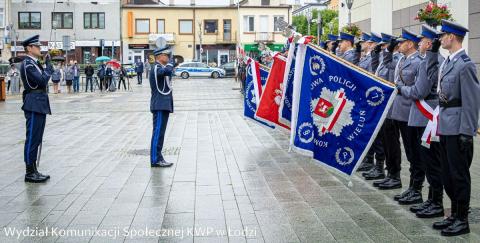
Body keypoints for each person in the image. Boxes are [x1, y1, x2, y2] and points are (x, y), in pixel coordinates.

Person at [431, 20, 480, 237]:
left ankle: (462, 219)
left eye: (443, 36)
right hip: (445, 125)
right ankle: (453, 214)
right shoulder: (447, 62)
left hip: (458, 127)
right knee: (448, 174)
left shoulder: (465, 64)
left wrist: (467, 132)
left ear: (452, 37)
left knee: (459, 175)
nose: (440, 39)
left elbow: (471, 101)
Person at [398, 24, 445, 219]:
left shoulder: (433, 62)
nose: (419, 45)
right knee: (421, 158)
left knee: (431, 162)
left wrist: (401, 89)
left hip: (427, 119)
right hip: (420, 116)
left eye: (422, 42)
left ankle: (435, 201)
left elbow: (419, 91)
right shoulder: (427, 61)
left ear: (429, 43)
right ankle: (429, 199)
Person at [19, 34, 53, 183]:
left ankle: (34, 170)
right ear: (29, 48)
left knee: (37, 138)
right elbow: (41, 81)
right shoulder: (28, 64)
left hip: (39, 103)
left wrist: (45, 65)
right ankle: (29, 172)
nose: (40, 49)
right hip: (33, 103)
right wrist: (49, 69)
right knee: (32, 138)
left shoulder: (35, 63)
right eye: (37, 46)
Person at [356, 32, 385, 177]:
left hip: (375, 99)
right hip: (367, 98)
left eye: (371, 43)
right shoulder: (371, 57)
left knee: (380, 137)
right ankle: (369, 160)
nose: (366, 45)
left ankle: (379, 166)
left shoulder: (380, 58)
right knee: (370, 133)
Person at [149, 44, 175, 168]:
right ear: (160, 56)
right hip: (159, 104)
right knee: (158, 132)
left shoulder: (161, 67)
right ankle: (155, 159)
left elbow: (168, 74)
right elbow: (167, 71)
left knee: (161, 133)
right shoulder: (156, 67)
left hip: (163, 104)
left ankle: (159, 157)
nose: (169, 58)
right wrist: (170, 64)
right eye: (167, 55)